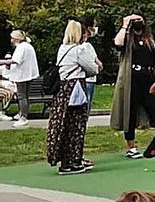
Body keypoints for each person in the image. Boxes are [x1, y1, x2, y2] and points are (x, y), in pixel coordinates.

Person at [47, 20, 100, 175]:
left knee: (63, 125)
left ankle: (64, 160)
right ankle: (73, 161)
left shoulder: (62, 49)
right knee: (76, 126)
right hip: (76, 89)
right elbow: (92, 68)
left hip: (63, 90)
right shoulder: (79, 50)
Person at [111, 15, 155, 159]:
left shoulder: (150, 39)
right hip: (131, 79)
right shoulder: (128, 39)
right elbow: (118, 43)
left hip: (148, 78)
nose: (137, 23)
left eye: (139, 20)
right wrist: (125, 24)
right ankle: (131, 147)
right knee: (130, 112)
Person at [0, 30, 39, 127]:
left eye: (12, 38)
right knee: (25, 96)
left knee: (22, 96)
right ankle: (22, 113)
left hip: (22, 75)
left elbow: (16, 60)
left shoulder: (21, 47)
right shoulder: (28, 46)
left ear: (17, 39)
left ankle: (23, 117)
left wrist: (3, 62)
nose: (11, 40)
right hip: (29, 74)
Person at [81, 15, 102, 107]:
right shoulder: (85, 46)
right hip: (88, 80)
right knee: (86, 105)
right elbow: (98, 64)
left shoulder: (88, 46)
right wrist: (96, 68)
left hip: (90, 80)